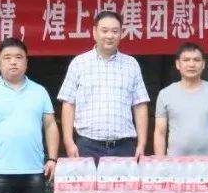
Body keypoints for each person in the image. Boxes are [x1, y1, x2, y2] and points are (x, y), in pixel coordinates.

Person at [0, 37, 60, 193]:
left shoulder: (40, 91)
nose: (13, 62)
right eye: (7, 57)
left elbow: (50, 125)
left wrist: (52, 159)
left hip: (34, 170)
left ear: (26, 62)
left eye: (19, 57)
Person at [58, 10, 151, 161]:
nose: (109, 36)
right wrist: (68, 141)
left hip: (124, 147)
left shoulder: (131, 64)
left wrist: (141, 144)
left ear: (121, 34)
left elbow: (140, 105)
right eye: (104, 30)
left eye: (115, 31)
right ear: (94, 32)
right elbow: (68, 104)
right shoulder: (79, 63)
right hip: (87, 146)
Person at [154, 42, 208, 157]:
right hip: (175, 162)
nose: (191, 64)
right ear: (177, 64)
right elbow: (160, 132)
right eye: (186, 60)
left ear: (203, 64)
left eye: (196, 60)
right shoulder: (165, 94)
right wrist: (160, 162)